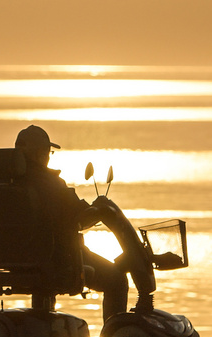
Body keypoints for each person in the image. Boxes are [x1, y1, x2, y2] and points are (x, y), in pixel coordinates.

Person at [13, 124, 130, 320]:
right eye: (48, 152)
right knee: (117, 280)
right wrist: (97, 209)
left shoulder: (0, 185)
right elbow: (77, 214)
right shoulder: (49, 184)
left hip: (16, 263)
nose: (49, 157)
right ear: (41, 154)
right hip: (58, 260)